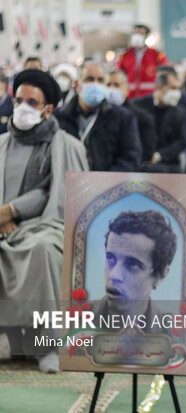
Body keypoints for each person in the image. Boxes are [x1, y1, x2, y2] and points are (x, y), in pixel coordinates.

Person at [0, 69, 89, 373]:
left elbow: (60, 194)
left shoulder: (66, 145)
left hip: (47, 225)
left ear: (48, 109)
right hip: (3, 227)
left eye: (32, 102)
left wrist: (12, 211)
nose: (23, 107)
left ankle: (46, 344)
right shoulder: (1, 144)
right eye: (19, 100)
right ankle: (12, 338)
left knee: (43, 250)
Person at [90, 210, 177, 333]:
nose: (114, 275)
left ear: (160, 275)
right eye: (110, 258)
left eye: (132, 264)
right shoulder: (76, 321)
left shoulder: (175, 334)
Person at [55, 62, 142, 171]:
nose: (95, 84)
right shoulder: (59, 117)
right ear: (77, 84)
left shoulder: (123, 118)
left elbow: (131, 158)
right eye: (89, 79)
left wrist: (102, 181)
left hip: (107, 184)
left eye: (100, 80)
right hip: (67, 182)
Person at [132, 69, 186, 173]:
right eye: (173, 88)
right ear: (160, 87)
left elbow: (182, 140)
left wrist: (160, 155)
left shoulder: (179, 112)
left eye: (178, 88)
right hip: (140, 161)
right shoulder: (138, 106)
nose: (177, 93)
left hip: (168, 163)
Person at [107, 70, 157, 167]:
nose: (111, 89)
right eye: (108, 85)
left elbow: (146, 153)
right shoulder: (96, 115)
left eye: (117, 85)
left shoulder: (142, 118)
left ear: (126, 89)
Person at [117, 24, 168, 99]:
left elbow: (165, 74)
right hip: (129, 96)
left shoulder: (157, 55)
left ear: (146, 36)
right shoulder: (124, 56)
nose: (137, 36)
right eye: (136, 34)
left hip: (150, 97)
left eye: (141, 34)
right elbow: (119, 75)